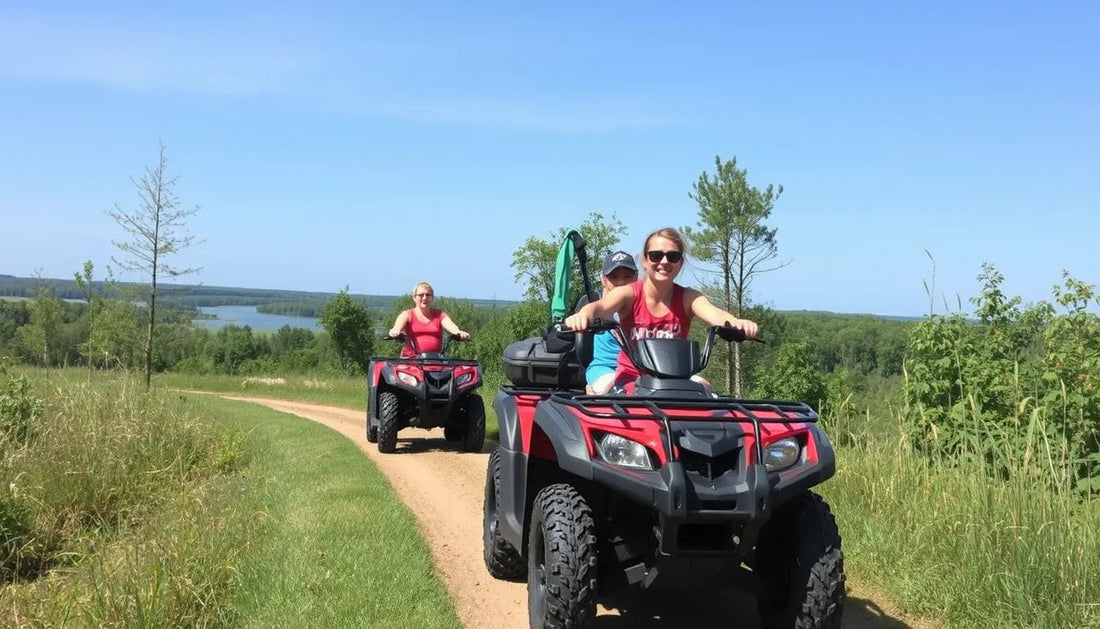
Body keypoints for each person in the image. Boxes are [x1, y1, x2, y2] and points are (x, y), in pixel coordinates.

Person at [565, 227, 759, 391]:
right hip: (630, 381)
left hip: (675, 381)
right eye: (656, 255)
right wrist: (583, 315)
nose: (664, 262)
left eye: (672, 256)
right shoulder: (629, 294)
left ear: (680, 262)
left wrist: (736, 323)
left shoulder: (688, 297)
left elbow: (714, 314)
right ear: (645, 260)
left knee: (709, 397)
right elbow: (600, 307)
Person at [584, 251, 638, 394]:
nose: (621, 282)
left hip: (645, 369)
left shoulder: (647, 306)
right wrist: (581, 317)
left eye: (627, 276)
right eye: (614, 277)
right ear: (604, 280)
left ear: (636, 277)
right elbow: (588, 312)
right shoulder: (598, 306)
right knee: (617, 390)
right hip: (606, 368)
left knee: (700, 386)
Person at [388, 282, 469, 357]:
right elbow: (397, 327)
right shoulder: (407, 315)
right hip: (410, 361)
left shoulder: (440, 315)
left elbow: (452, 327)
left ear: (432, 298)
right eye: (421, 295)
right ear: (414, 297)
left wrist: (459, 333)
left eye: (428, 295)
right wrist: (394, 331)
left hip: (434, 360)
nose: (424, 298)